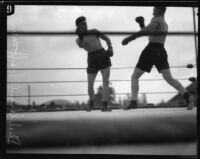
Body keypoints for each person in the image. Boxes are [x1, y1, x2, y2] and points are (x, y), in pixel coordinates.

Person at [122, 6, 194, 110]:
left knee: (135, 76)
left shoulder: (156, 19)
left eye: (154, 9)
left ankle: (133, 101)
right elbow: (149, 33)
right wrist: (141, 24)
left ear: (159, 10)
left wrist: (130, 38)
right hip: (161, 51)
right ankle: (187, 95)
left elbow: (146, 31)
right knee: (169, 79)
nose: (153, 10)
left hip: (151, 50)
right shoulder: (165, 24)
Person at [75, 16, 113, 111]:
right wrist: (80, 36)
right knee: (90, 84)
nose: (85, 24)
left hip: (102, 54)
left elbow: (107, 39)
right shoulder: (78, 40)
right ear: (78, 27)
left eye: (86, 23)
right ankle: (91, 103)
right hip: (92, 58)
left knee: (105, 81)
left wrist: (110, 48)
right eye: (83, 24)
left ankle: (104, 105)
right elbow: (81, 45)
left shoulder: (94, 31)